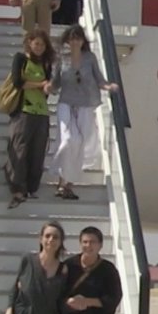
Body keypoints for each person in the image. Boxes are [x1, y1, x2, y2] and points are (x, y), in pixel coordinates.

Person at [47, 26, 118, 200]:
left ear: (82, 41)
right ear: (67, 40)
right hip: (66, 103)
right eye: (72, 38)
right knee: (68, 140)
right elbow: (56, 82)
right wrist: (49, 87)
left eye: (78, 38)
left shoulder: (90, 58)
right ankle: (61, 178)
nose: (75, 42)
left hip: (86, 104)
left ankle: (66, 184)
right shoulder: (62, 59)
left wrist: (108, 86)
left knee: (79, 144)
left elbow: (99, 78)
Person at [4, 29, 55, 208]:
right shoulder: (21, 58)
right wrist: (39, 84)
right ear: (29, 43)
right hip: (23, 111)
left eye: (42, 44)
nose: (39, 47)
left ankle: (32, 188)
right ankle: (18, 188)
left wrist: (47, 87)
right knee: (20, 149)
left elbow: (46, 88)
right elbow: (18, 82)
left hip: (41, 112)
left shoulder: (46, 64)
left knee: (38, 151)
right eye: (36, 43)